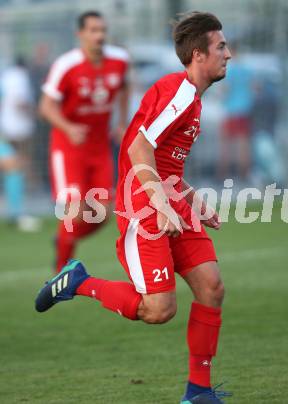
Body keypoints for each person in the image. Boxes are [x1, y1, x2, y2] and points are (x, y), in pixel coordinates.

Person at [35, 11, 232, 404]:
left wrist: (191, 200)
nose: (228, 54)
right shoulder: (179, 91)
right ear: (198, 54)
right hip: (145, 206)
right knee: (159, 310)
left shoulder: (190, 97)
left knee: (211, 287)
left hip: (168, 200)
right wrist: (160, 204)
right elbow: (138, 147)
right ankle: (79, 282)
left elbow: (165, 160)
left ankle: (198, 393)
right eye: (221, 46)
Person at [39, 11, 130, 272]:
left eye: (102, 30)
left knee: (103, 213)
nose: (99, 35)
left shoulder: (120, 60)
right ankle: (60, 273)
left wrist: (122, 122)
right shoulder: (66, 65)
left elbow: (124, 86)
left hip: (99, 148)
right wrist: (68, 127)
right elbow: (45, 106)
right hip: (69, 148)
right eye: (92, 30)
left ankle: (64, 240)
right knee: (76, 210)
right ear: (80, 34)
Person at [0, 56, 40, 231]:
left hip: (7, 132)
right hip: (13, 130)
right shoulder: (15, 79)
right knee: (15, 165)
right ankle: (16, 214)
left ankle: (16, 214)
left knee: (14, 166)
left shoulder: (5, 79)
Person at [218, 43, 254, 181]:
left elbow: (225, 90)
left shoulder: (229, 70)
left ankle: (223, 175)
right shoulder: (246, 70)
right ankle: (244, 174)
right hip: (244, 111)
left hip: (231, 111)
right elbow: (253, 88)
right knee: (243, 144)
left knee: (225, 144)